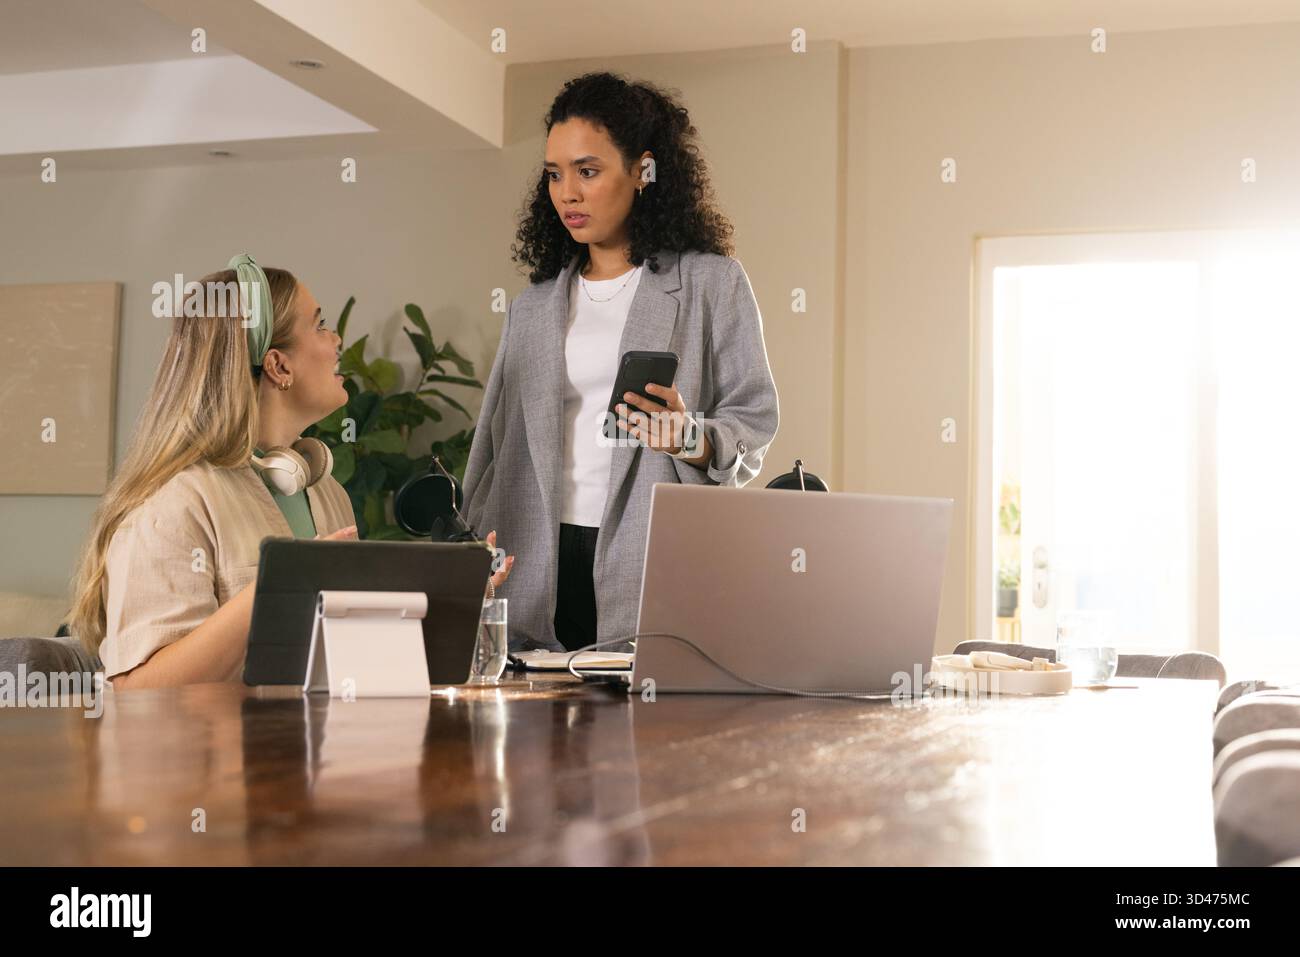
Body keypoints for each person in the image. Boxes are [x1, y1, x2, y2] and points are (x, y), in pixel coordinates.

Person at [70, 255, 511, 688]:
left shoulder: (324, 492)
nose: (336, 339)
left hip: (317, 753)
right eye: (319, 325)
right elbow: (140, 690)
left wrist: (458, 593)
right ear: (280, 366)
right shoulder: (171, 504)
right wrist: (277, 586)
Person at [463, 72, 780, 653]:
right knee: (539, 737)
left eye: (588, 170)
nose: (567, 193)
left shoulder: (712, 284)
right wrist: (469, 548)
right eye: (555, 174)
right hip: (535, 553)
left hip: (649, 551)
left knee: (644, 735)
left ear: (643, 171)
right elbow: (490, 444)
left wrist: (688, 437)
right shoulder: (532, 307)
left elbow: (753, 418)